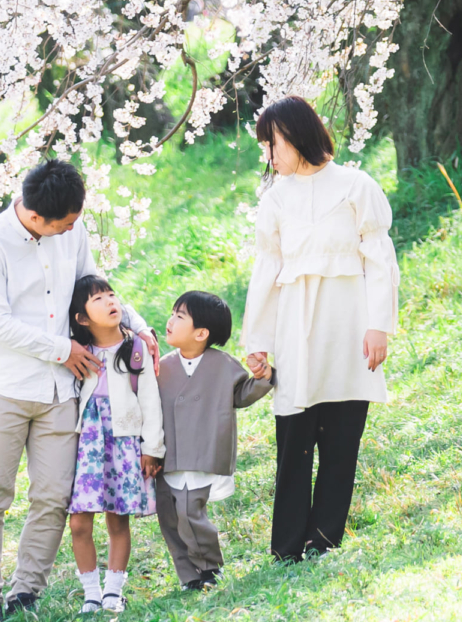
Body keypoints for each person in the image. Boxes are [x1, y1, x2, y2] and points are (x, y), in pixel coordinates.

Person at [242, 94, 400, 561]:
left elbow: (379, 257)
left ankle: (325, 537)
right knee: (293, 437)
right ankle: (287, 544)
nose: (268, 157)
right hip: (294, 329)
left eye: (271, 145)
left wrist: (379, 326)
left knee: (341, 439)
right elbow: (266, 272)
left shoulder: (355, 186)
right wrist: (258, 342)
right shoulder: (274, 200)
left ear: (293, 135)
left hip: (349, 326)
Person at [0, 158, 96, 622]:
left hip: (60, 391)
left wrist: (134, 329)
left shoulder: (72, 230)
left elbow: (91, 289)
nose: (72, 230)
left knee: (53, 494)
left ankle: (26, 593)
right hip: (4, 387)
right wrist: (61, 349)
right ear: (36, 217)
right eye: (65, 224)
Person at [151, 289, 278, 590]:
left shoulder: (224, 365)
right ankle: (189, 577)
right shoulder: (161, 367)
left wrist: (262, 377)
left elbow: (241, 395)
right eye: (172, 313)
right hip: (166, 456)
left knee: (190, 513)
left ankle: (210, 568)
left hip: (202, 453)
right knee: (170, 519)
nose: (170, 320)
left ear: (201, 333)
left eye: (180, 316)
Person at [64, 274, 163, 614]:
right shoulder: (78, 352)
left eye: (111, 294)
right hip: (88, 444)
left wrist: (153, 447)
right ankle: (90, 593)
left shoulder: (135, 348)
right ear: (81, 318)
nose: (110, 302)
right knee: (79, 522)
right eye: (99, 299)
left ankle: (113, 591)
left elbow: (150, 401)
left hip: (122, 440)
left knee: (118, 519)